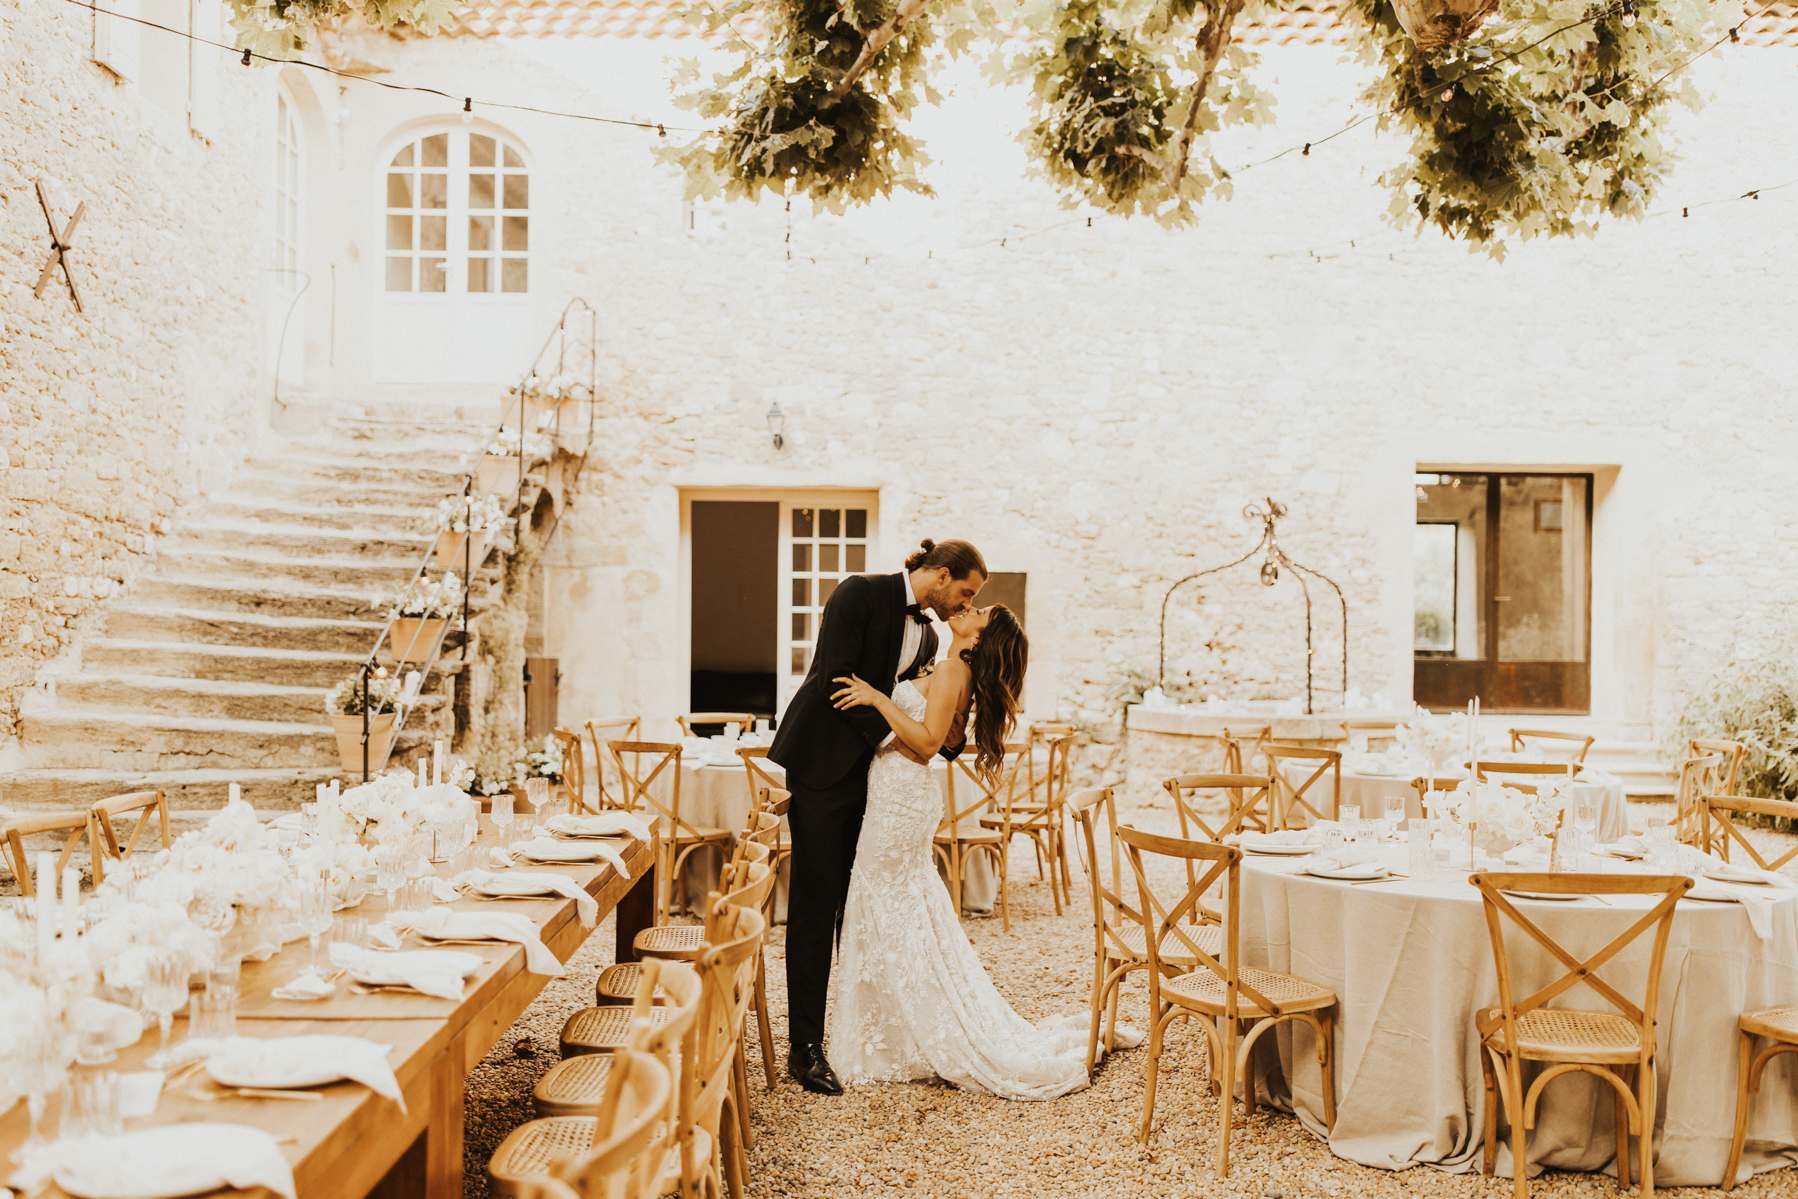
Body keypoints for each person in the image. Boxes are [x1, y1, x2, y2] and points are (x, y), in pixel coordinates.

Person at [826, 602, 1090, 1100]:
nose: (970, 608)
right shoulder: (951, 668)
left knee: (884, 905)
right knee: (900, 908)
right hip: (901, 792)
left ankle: (899, 1037)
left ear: (980, 636)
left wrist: (879, 700)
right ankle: (900, 1030)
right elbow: (946, 737)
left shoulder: (952, 668)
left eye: (981, 611)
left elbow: (927, 744)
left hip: (900, 794)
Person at [768, 538, 987, 1095]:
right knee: (816, 905)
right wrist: (903, 738)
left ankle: (859, 1035)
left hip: (877, 782)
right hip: (821, 770)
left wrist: (943, 728)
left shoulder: (934, 635)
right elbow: (835, 682)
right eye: (964, 592)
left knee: (860, 907)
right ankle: (805, 1048)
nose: (964, 605)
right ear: (939, 575)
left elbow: (911, 704)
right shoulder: (858, 594)